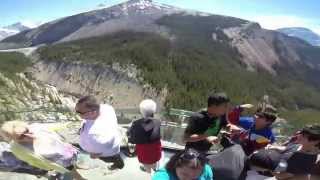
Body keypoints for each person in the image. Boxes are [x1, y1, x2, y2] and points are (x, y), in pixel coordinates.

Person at [0, 120, 84, 179]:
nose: (28, 135)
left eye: (26, 130)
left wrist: (71, 123)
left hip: (67, 150)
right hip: (60, 162)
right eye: (22, 136)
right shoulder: (18, 149)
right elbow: (30, 161)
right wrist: (45, 168)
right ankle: (79, 177)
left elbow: (54, 126)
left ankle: (77, 165)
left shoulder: (36, 127)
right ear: (14, 139)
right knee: (70, 169)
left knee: (74, 160)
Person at [248, 124, 320, 180]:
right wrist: (274, 147)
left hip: (265, 174)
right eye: (301, 132)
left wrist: (267, 166)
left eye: (304, 135)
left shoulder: (305, 161)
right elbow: (288, 148)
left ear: (315, 141)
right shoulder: (301, 144)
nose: (299, 135)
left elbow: (281, 176)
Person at [75, 95, 124, 170]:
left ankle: (119, 165)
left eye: (79, 112)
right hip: (114, 147)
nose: (77, 114)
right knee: (117, 157)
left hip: (107, 154)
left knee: (112, 159)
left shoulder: (94, 135)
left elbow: (97, 153)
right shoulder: (107, 108)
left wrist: (93, 154)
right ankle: (119, 163)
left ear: (92, 112)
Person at [128, 99, 162, 173]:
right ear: (154, 111)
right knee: (154, 160)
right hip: (156, 151)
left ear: (141, 111)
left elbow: (132, 140)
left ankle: (148, 171)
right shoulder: (158, 122)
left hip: (144, 152)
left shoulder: (136, 124)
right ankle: (154, 169)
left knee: (146, 163)